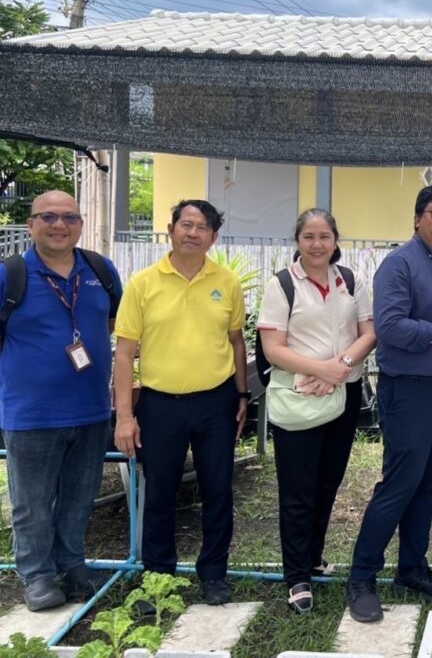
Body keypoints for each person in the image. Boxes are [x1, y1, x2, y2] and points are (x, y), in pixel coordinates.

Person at [344, 184, 432, 624]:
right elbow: (390, 327)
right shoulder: (399, 265)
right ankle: (362, 577)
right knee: (400, 483)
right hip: (409, 392)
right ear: (418, 218)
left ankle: (412, 569)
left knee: (428, 484)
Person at [113, 199, 248, 607]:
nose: (193, 233)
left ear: (214, 237)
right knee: (159, 492)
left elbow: (237, 342)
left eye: (202, 227)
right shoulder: (143, 283)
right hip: (160, 405)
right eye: (185, 224)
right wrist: (124, 416)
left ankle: (214, 574)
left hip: (216, 403)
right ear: (170, 230)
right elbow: (124, 353)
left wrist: (243, 395)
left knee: (218, 490)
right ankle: (157, 578)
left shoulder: (227, 281)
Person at [0, 191, 122, 610]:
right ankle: (37, 576)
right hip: (31, 413)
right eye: (48, 216)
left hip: (90, 409)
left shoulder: (100, 270)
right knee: (31, 502)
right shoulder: (10, 275)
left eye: (69, 217)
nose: (59, 225)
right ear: (31, 224)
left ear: (81, 224)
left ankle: (72, 565)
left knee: (79, 496)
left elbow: (111, 321)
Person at [256, 208, 376, 614]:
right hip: (300, 394)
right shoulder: (282, 285)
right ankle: (296, 577)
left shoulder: (351, 281)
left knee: (328, 482)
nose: (317, 244)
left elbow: (369, 333)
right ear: (298, 240)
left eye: (324, 236)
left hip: (343, 393)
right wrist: (321, 370)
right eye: (309, 236)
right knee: (298, 490)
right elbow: (273, 348)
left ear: (335, 240)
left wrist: (339, 368)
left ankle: (312, 557)